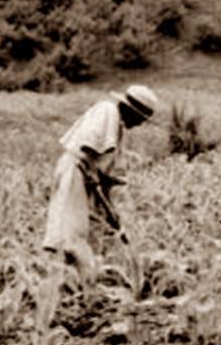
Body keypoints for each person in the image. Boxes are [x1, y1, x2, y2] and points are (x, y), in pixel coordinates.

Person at [43, 85, 159, 275]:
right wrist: (93, 177)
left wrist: (109, 201)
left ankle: (80, 273)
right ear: (131, 110)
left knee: (91, 227)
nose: (140, 124)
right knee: (69, 227)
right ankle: (56, 275)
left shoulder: (119, 125)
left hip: (86, 175)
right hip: (76, 170)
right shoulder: (107, 110)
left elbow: (101, 168)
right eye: (140, 119)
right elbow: (88, 147)